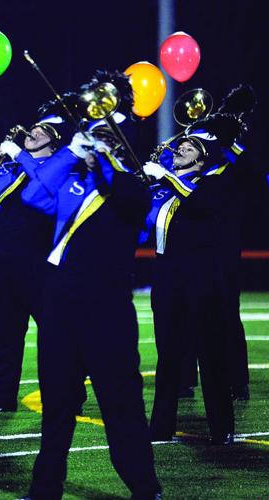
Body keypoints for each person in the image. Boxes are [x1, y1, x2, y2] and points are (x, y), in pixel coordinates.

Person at [21, 72, 161, 499]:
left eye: (106, 131)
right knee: (57, 404)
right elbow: (33, 198)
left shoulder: (137, 184)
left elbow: (134, 208)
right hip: (60, 302)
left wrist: (101, 156)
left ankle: (144, 487)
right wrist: (70, 151)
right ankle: (46, 488)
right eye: (95, 129)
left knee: (121, 405)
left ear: (122, 138)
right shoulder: (72, 176)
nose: (97, 136)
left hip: (107, 309)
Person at [141, 112, 244, 445]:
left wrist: (167, 178)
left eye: (191, 146)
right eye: (181, 145)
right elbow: (143, 229)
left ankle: (221, 427)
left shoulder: (214, 184)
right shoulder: (163, 189)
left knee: (210, 354)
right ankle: (160, 427)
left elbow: (199, 204)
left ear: (202, 159)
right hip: (166, 277)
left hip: (202, 280)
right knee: (168, 355)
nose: (182, 147)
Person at [0, 101, 72, 414]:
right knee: (6, 334)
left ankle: (69, 391)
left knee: (54, 333)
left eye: (41, 131)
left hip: (37, 264)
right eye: (32, 129)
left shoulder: (57, 171)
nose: (32, 132)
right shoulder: (9, 171)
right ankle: (3, 397)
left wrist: (21, 156)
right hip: (0, 262)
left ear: (54, 143)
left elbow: (48, 193)